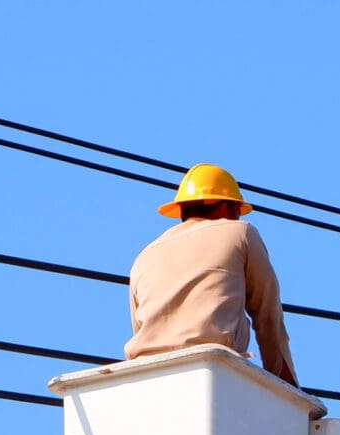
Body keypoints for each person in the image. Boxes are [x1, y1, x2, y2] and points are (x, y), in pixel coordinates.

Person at [125, 163, 296, 386]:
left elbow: (139, 328)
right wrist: (288, 393)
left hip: (146, 375)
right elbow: (268, 319)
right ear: (227, 208)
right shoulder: (241, 233)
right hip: (213, 369)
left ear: (182, 210)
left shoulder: (144, 256)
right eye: (236, 210)